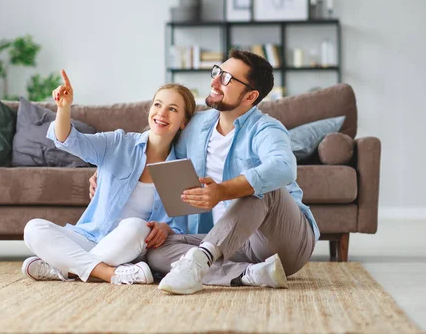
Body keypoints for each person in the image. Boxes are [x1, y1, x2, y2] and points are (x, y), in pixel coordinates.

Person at [90, 49, 319, 295]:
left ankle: (200, 262)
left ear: (250, 96)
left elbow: (283, 168)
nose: (214, 82)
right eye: (217, 73)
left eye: (227, 79)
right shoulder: (197, 125)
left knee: (262, 188)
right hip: (228, 243)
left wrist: (223, 191)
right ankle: (248, 274)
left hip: (281, 242)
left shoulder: (266, 128)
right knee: (155, 252)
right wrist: (108, 168)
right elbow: (157, 145)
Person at [22, 70, 196, 285]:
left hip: (129, 244)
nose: (162, 113)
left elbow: (180, 228)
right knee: (34, 228)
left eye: (173, 109)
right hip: (89, 237)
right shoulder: (118, 143)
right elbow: (70, 140)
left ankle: (65, 268)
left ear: (184, 123)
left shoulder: (179, 170)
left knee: (136, 226)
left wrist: (165, 228)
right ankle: (108, 273)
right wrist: (64, 108)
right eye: (158, 105)